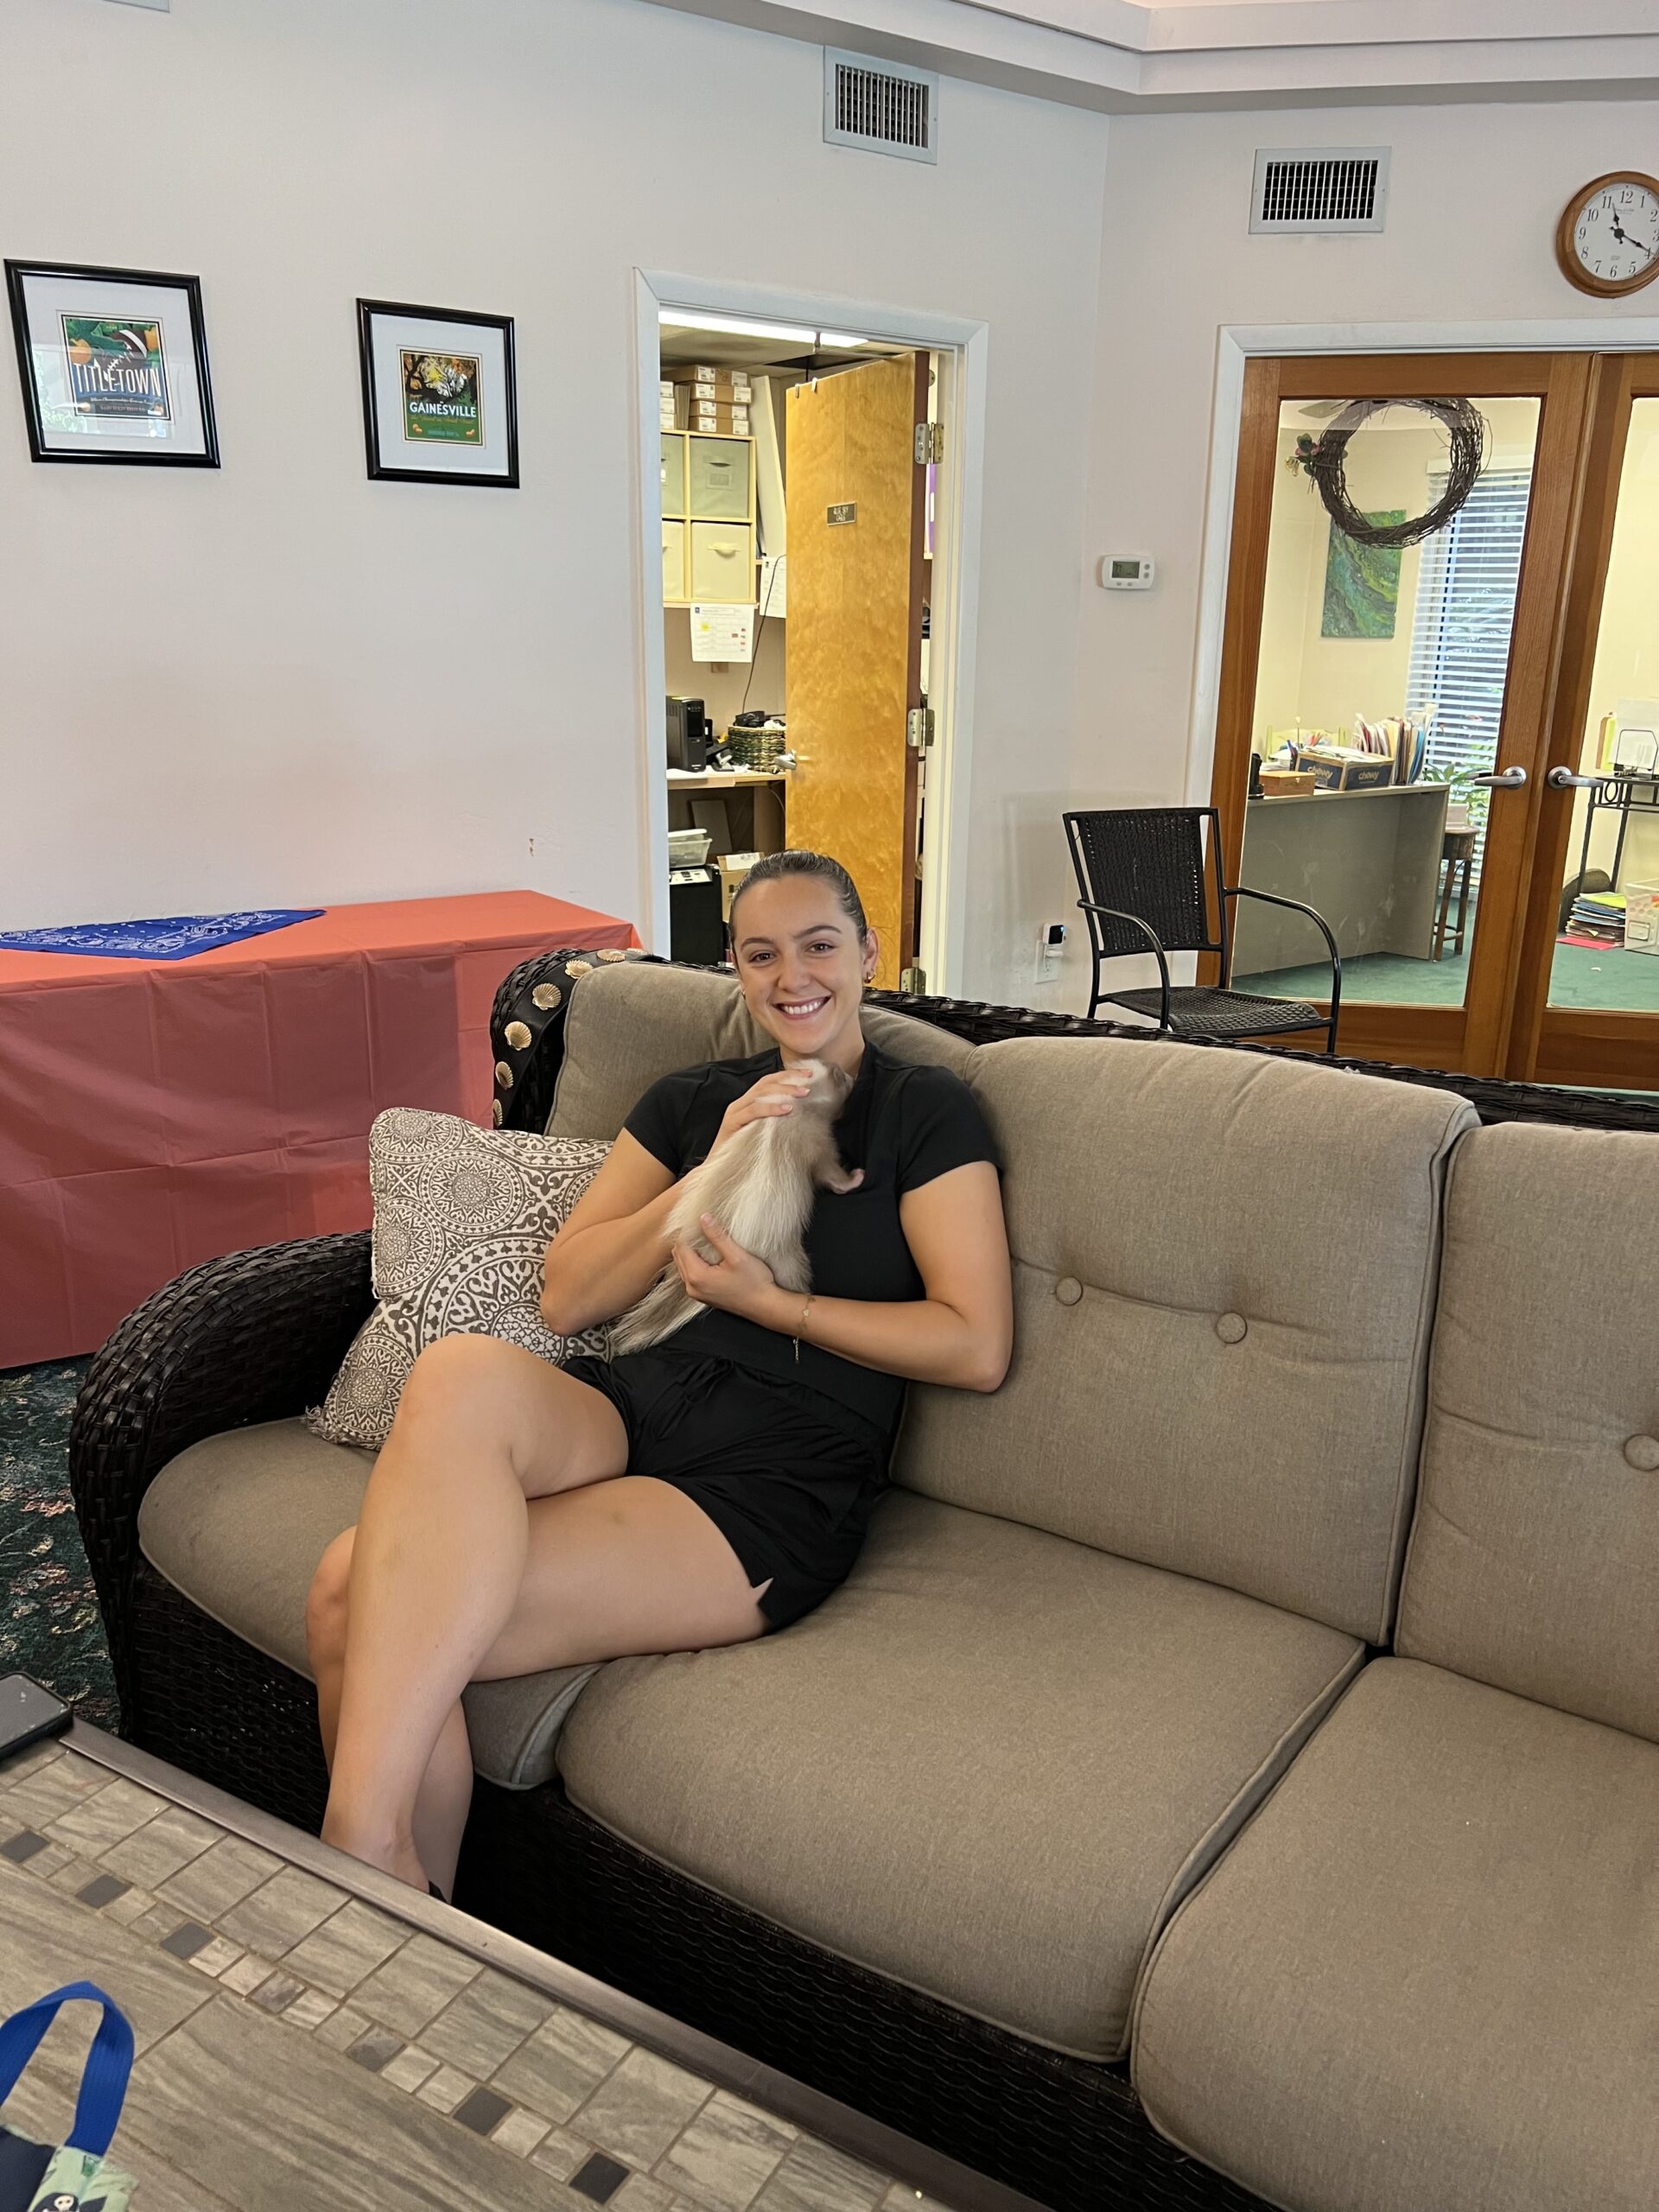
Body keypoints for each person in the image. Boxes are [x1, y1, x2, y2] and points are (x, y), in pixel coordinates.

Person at [305, 850, 1013, 1897]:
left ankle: (371, 1873)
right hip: (639, 1404)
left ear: (868, 953)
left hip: (773, 1474)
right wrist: (706, 1174)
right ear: (736, 969)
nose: (793, 976)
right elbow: (568, 1297)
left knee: (345, 1590)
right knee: (459, 1370)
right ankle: (378, 1866)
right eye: (761, 954)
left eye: (819, 945)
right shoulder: (694, 1100)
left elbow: (974, 1344)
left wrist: (771, 1304)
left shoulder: (925, 1109)